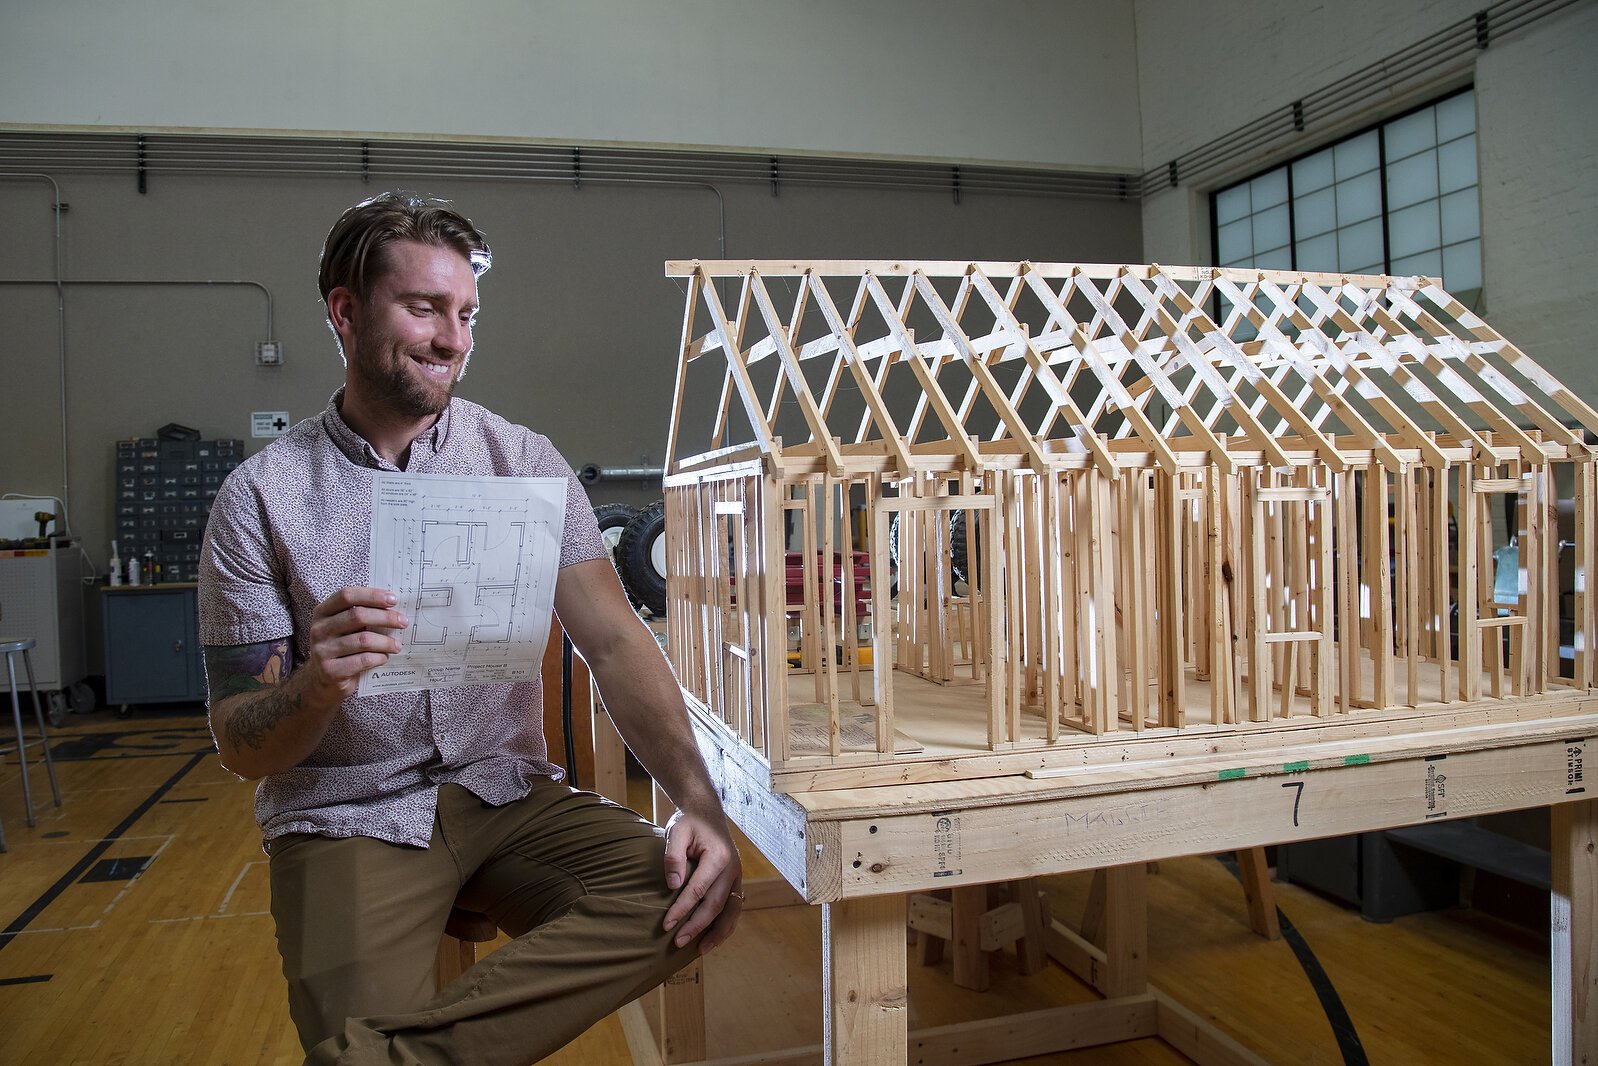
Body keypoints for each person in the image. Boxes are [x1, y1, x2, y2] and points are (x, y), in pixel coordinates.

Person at [198, 191, 742, 1065]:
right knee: (351, 1033)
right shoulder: (261, 497)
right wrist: (317, 683)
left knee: (687, 889)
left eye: (467, 314)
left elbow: (612, 641)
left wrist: (699, 803)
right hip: (349, 813)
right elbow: (240, 743)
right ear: (345, 311)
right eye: (423, 308)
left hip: (506, 794)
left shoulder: (521, 460)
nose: (453, 339)